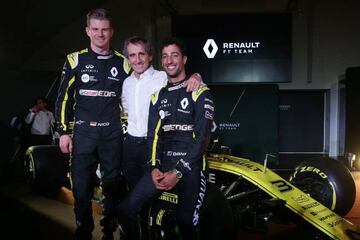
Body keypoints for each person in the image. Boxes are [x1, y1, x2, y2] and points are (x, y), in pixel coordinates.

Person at [117, 37, 215, 240]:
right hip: (161, 165)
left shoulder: (199, 91)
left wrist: (178, 172)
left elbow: (203, 139)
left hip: (190, 167)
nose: (170, 60)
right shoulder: (157, 96)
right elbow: (154, 137)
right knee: (126, 209)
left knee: (186, 222)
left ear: (185, 59)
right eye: (166, 56)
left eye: (175, 55)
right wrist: (154, 168)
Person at [55, 8, 130, 240]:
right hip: (84, 133)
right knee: (80, 186)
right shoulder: (74, 59)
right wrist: (63, 132)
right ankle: (84, 228)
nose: (100, 34)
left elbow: (151, 82)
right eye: (95, 29)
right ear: (87, 31)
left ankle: (109, 228)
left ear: (111, 31)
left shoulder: (124, 62)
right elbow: (63, 98)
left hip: (112, 133)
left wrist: (193, 78)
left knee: (112, 184)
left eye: (104, 29)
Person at [121, 36, 202, 189]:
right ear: (127, 59)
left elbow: (188, 81)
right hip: (130, 145)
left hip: (153, 145)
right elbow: (126, 110)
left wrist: (197, 76)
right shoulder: (126, 83)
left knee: (154, 189)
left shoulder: (162, 77)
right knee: (131, 188)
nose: (137, 60)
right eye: (132, 55)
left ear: (150, 56)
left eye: (141, 54)